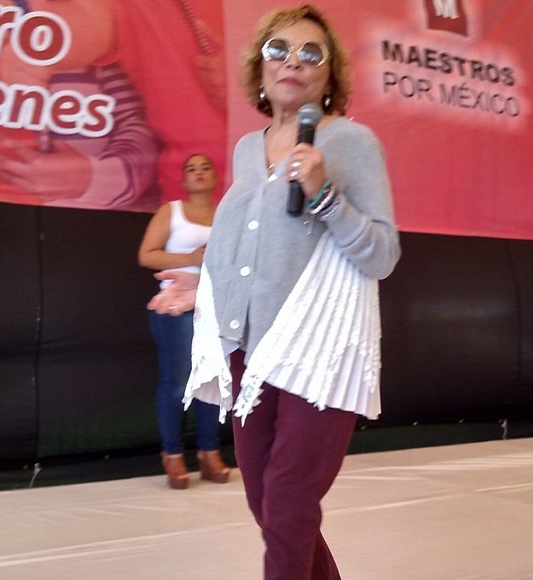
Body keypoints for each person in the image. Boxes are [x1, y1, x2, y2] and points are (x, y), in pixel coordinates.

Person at [148, 5, 399, 578]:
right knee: (270, 505)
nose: (293, 61)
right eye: (278, 49)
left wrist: (324, 195)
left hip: (318, 351)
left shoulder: (352, 142)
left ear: (329, 74)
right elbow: (243, 247)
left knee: (286, 502)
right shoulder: (245, 148)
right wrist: (201, 281)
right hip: (248, 352)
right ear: (259, 69)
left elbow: (382, 255)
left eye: (311, 53)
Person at [138, 153, 229, 489]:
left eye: (206, 167)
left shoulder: (227, 214)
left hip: (216, 307)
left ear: (216, 176)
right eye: (192, 168)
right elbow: (146, 255)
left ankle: (209, 453)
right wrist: (191, 258)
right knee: (177, 383)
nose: (199, 172)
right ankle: (173, 455)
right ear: (184, 180)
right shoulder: (171, 211)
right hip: (176, 309)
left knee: (212, 382)